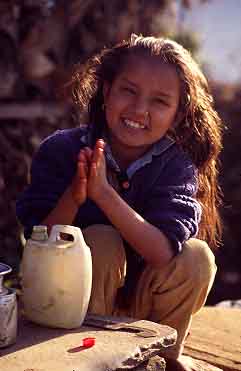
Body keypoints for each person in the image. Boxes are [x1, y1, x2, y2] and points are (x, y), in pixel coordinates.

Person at [16, 34, 222, 370]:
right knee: (99, 240)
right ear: (107, 90)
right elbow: (40, 240)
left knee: (197, 257)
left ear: (178, 113)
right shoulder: (62, 150)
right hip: (69, 313)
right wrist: (76, 193)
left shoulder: (176, 165)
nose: (140, 110)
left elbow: (162, 252)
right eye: (129, 90)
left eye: (159, 101)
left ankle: (161, 355)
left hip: (140, 308)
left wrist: (105, 195)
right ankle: (92, 360)